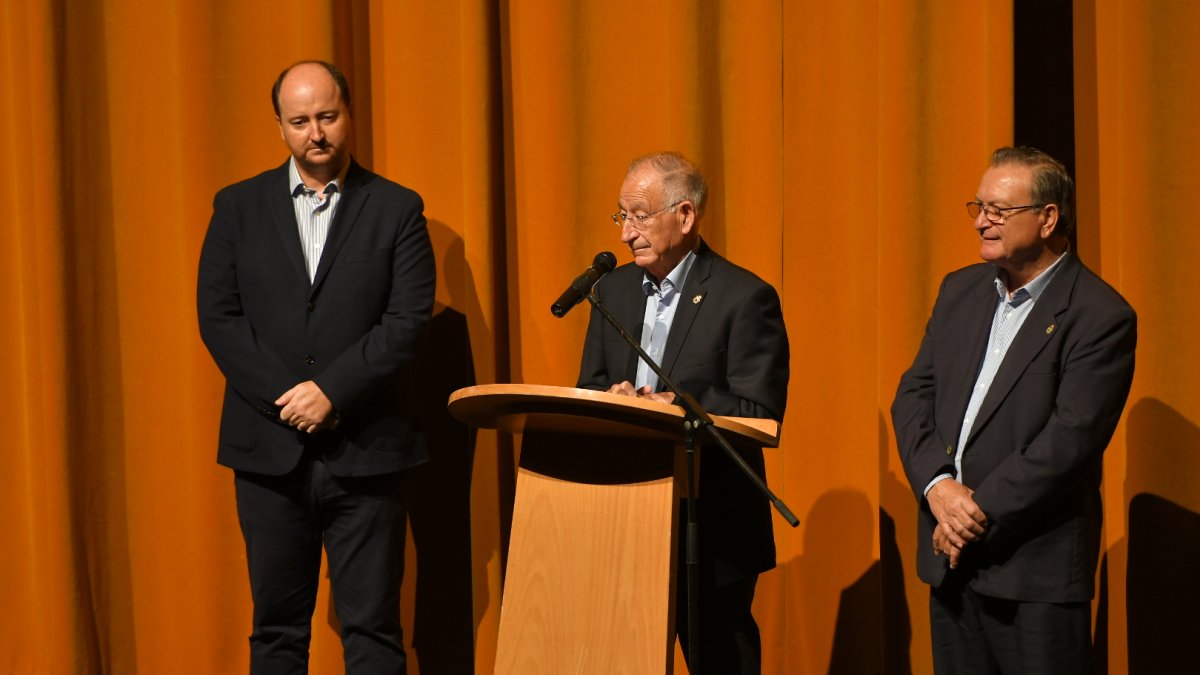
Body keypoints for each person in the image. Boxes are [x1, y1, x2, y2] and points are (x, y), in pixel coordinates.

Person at [197, 60, 435, 674]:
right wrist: (290, 397)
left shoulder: (398, 209)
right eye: (299, 121)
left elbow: (407, 320)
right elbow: (219, 318)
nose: (316, 134)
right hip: (268, 455)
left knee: (374, 631)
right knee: (276, 632)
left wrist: (331, 391)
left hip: (369, 451)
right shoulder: (237, 207)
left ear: (348, 115)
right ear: (280, 127)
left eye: (327, 117)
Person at [891, 146, 1136, 673]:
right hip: (951, 564)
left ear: (1048, 218)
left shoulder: (1100, 316)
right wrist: (938, 487)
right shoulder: (960, 290)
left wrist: (968, 516)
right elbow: (913, 395)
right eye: (978, 207)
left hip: (1033, 571)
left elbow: (1069, 441)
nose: (982, 222)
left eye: (999, 211)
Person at [576, 151, 789, 673]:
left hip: (711, 528)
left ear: (686, 215)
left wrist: (679, 406)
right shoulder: (612, 291)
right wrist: (614, 402)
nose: (627, 233)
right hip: (626, 521)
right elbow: (589, 387)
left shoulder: (745, 297)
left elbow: (758, 411)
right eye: (621, 216)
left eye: (640, 215)